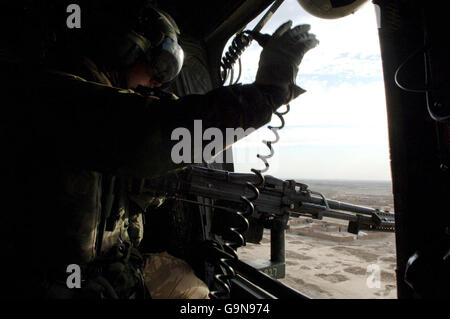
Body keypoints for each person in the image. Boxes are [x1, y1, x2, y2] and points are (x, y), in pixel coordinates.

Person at [0, 1, 318, 299]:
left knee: (193, 288)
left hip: (104, 275)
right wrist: (267, 93)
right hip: (51, 285)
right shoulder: (56, 96)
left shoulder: (100, 119)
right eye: (160, 62)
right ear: (124, 49)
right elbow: (153, 134)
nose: (160, 81)